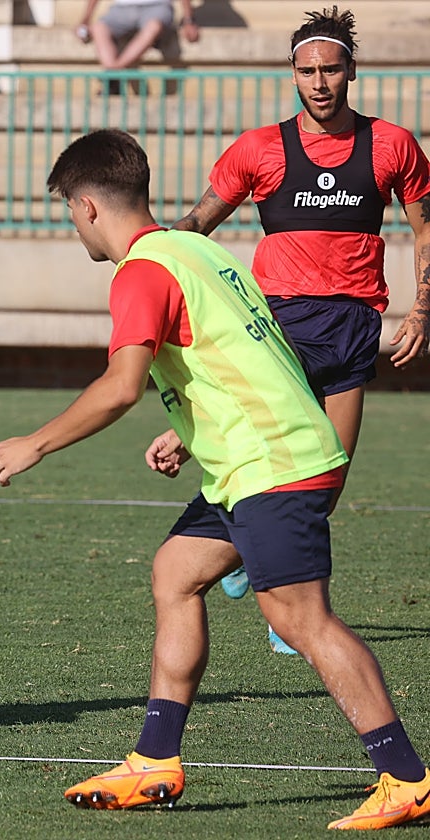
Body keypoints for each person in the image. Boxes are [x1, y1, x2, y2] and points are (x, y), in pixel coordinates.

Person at [0, 129, 430, 829]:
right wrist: (190, 434)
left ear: (90, 206)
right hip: (250, 460)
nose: (75, 225)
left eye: (71, 210)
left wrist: (35, 443)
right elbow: (255, 353)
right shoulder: (195, 250)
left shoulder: (141, 272)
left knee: (299, 617)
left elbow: (120, 386)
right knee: (177, 571)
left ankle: (405, 776)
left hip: (272, 465)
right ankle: (155, 759)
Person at [172, 6, 430, 654]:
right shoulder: (259, 148)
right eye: (307, 70)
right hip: (280, 332)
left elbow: (425, 227)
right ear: (293, 73)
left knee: (328, 480)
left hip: (352, 332)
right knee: (267, 468)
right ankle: (286, 609)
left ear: (351, 71)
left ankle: (246, 564)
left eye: (331, 69)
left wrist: (422, 309)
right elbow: (197, 224)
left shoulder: (392, 144)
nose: (319, 82)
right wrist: (148, 263)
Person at [75, 0, 199, 72]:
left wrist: (188, 20)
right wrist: (85, 20)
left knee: (153, 27)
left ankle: (114, 71)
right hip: (121, 9)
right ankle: (113, 70)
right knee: (98, 28)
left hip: (156, 7)